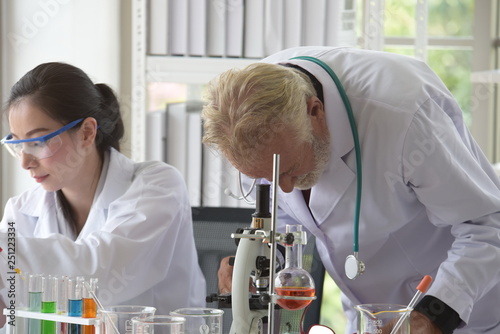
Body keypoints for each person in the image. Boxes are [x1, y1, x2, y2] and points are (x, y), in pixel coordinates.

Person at [201, 46, 500, 333]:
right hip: (367, 314)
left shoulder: (404, 114)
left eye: (291, 170)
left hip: (466, 311)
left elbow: (487, 227)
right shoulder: (248, 105)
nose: (286, 188)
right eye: (264, 177)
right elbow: (285, 217)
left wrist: (436, 314)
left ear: (314, 111)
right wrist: (257, 263)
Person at [0, 62, 206, 327]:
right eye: (17, 144)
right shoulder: (22, 210)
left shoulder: (158, 186)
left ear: (86, 133)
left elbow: (98, 273)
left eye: (38, 142)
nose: (25, 162)